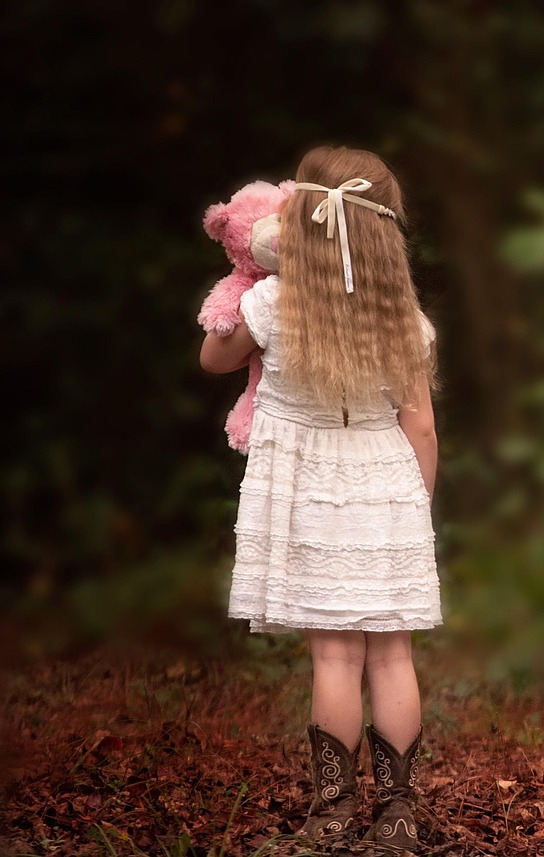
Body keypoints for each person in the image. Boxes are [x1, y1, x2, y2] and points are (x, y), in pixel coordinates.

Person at [200, 145, 441, 851]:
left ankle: (333, 810)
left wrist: (247, 277)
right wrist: (413, 506)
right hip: (387, 482)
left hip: (308, 488)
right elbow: (419, 422)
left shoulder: (272, 303)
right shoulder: (404, 319)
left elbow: (214, 358)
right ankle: (397, 812)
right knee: (391, 653)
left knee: (335, 656)